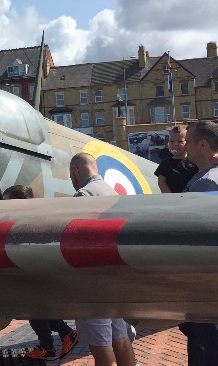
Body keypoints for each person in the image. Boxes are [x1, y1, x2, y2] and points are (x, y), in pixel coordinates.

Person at [0, 178, 78, 361]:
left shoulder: (29, 222)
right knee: (40, 312)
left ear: (19, 204)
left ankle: (48, 347)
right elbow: (5, 198)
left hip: (35, 274)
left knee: (35, 313)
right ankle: (66, 333)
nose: (5, 206)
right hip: (34, 275)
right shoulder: (25, 213)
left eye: (8, 203)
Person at [69, 153, 136, 366]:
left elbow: (76, 241)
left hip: (93, 282)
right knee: (120, 338)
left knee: (101, 346)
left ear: (75, 171)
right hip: (114, 279)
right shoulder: (111, 191)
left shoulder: (84, 195)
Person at [180, 121, 218, 366]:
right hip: (205, 270)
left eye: (189, 142)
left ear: (202, 144)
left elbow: (197, 231)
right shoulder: (207, 175)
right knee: (203, 334)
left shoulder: (207, 182)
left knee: (210, 335)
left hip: (203, 272)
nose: (185, 147)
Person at [155, 125, 198, 193]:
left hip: (192, 196)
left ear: (187, 143)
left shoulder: (194, 161)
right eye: (172, 141)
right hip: (174, 197)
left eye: (180, 141)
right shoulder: (166, 163)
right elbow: (161, 182)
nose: (175, 144)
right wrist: (170, 196)